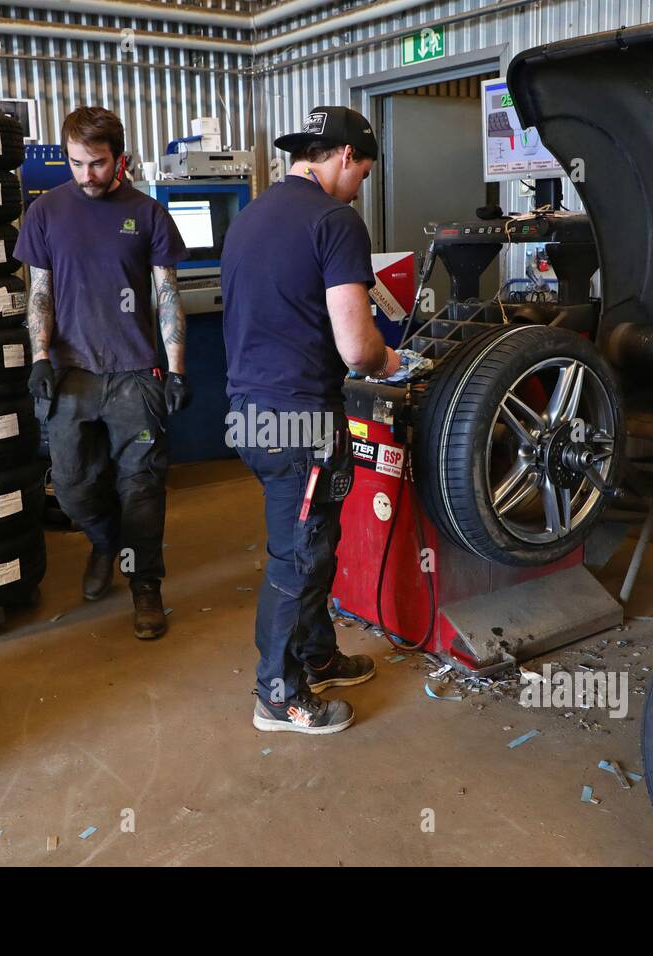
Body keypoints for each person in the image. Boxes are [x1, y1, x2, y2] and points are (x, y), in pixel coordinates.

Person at [222, 106, 402, 734]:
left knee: (310, 547)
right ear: (346, 157)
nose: (361, 187)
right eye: (365, 173)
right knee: (297, 558)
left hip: (248, 413)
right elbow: (358, 348)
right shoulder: (335, 221)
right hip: (298, 420)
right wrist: (391, 359)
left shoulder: (251, 217)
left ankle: (317, 655)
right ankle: (279, 697)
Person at [16, 106, 190, 641]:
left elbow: (166, 295)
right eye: (76, 163)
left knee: (142, 487)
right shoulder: (46, 213)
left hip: (136, 374)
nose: (87, 175)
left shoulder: (148, 213)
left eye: (97, 163)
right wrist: (40, 356)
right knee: (71, 487)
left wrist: (176, 369)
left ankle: (145, 588)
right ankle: (105, 541)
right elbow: (39, 292)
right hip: (72, 375)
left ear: (120, 158)